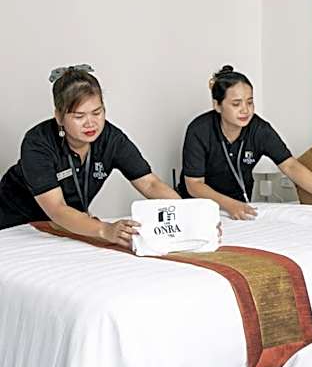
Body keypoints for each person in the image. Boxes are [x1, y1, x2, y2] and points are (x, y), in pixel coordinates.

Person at [0, 65, 179, 247]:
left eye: (97, 113)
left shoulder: (111, 138)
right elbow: (57, 208)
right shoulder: (38, 143)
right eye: (79, 116)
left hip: (67, 227)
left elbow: (150, 183)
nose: (91, 123)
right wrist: (104, 230)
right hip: (15, 226)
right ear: (59, 117)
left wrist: (188, 212)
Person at [178, 65, 312, 219]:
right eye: (236, 104)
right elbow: (194, 185)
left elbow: (290, 166)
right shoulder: (199, 130)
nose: (245, 110)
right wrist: (229, 205)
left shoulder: (259, 129)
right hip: (199, 208)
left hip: (241, 206)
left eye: (250, 102)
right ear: (217, 105)